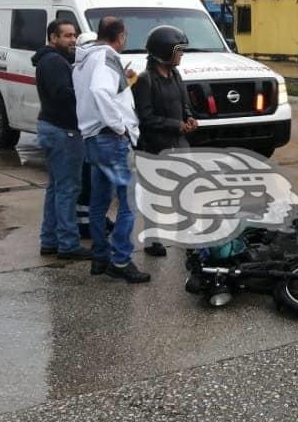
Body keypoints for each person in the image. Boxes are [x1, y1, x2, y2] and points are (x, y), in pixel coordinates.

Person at [73, 18, 149, 283]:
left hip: (93, 138)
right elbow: (99, 91)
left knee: (99, 202)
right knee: (129, 202)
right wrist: (119, 127)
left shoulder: (85, 59)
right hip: (110, 139)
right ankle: (120, 260)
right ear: (120, 36)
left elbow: (98, 91)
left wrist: (124, 82)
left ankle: (100, 257)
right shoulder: (106, 57)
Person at [132, 25, 198, 258]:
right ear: (164, 50)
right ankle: (153, 240)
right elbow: (146, 118)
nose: (182, 54)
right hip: (155, 146)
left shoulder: (176, 75)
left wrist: (189, 118)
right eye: (178, 50)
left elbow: (184, 103)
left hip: (179, 143)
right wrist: (175, 125)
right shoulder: (145, 80)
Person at [33, 19, 92, 260]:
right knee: (68, 189)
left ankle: (50, 240)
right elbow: (63, 95)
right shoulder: (55, 62)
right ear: (53, 38)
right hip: (63, 131)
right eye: (66, 36)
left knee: (56, 188)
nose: (72, 40)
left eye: (74, 35)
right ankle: (68, 244)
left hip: (52, 127)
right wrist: (88, 93)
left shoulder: (51, 60)